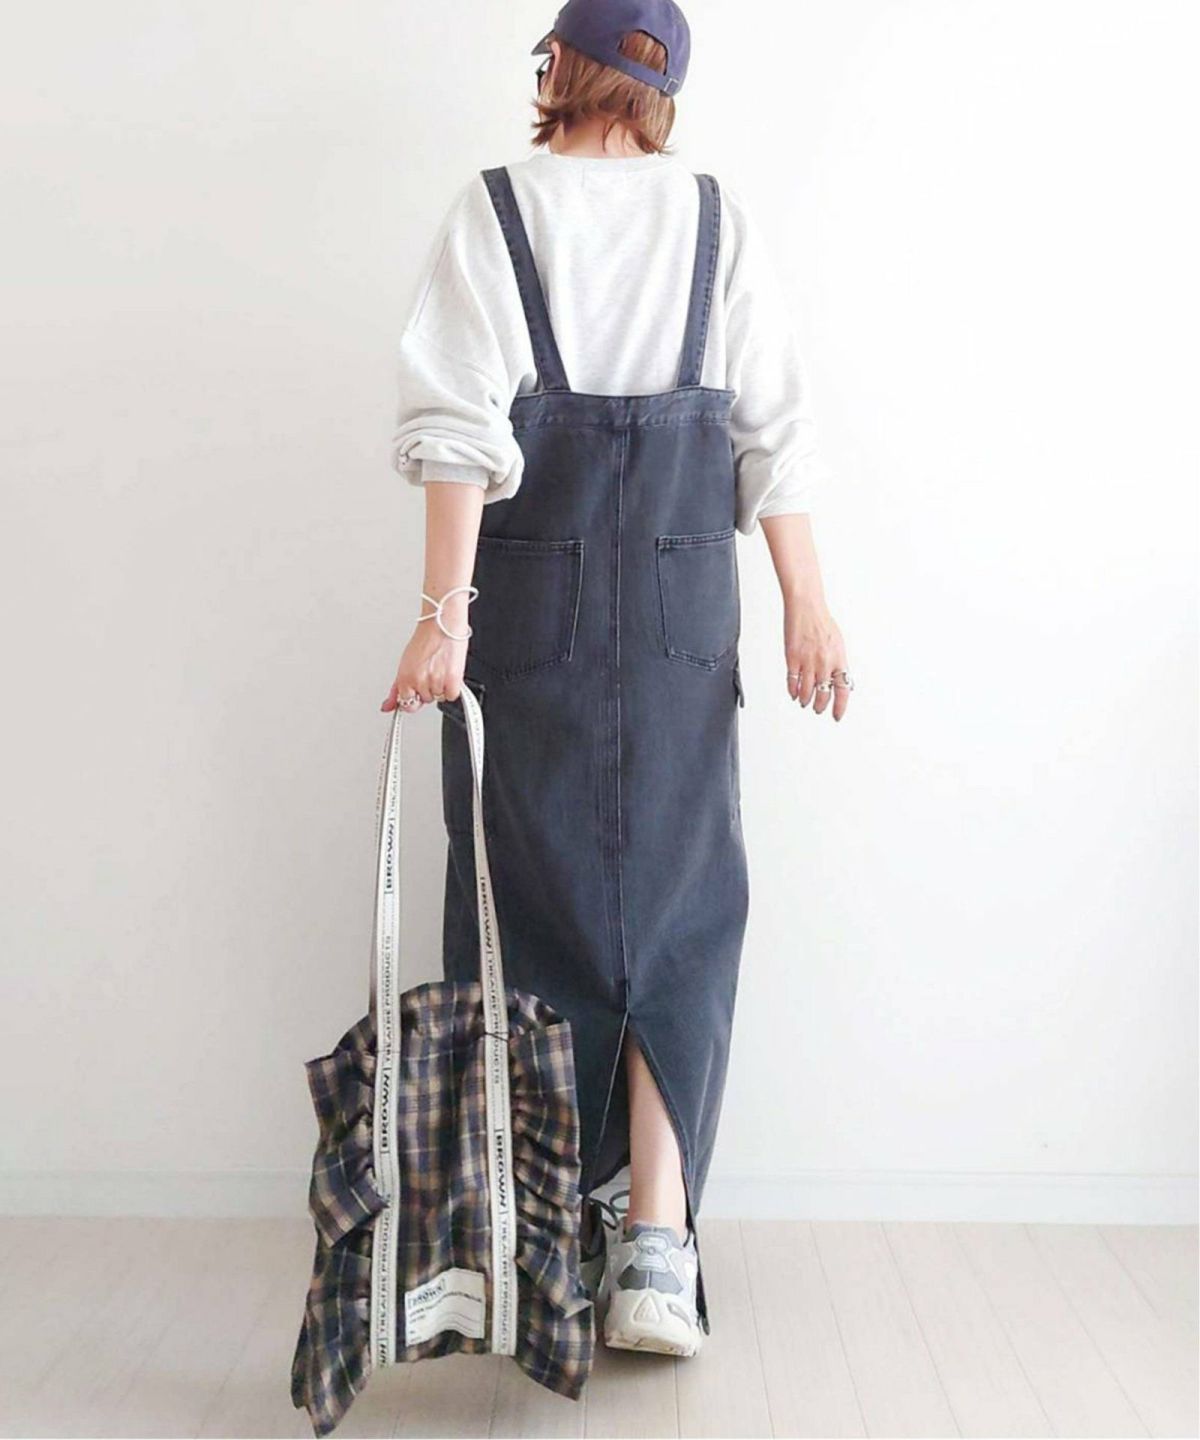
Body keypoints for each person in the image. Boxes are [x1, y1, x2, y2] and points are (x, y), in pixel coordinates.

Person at [381, 0, 851, 1359]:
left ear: (560, 65)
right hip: (687, 604)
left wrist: (442, 619)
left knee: (530, 904)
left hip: (527, 601)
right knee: (686, 909)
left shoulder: (497, 210)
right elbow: (773, 432)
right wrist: (807, 602)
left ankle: (545, 1233)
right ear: (664, 92)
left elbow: (456, 428)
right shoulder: (714, 218)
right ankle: (656, 1239)